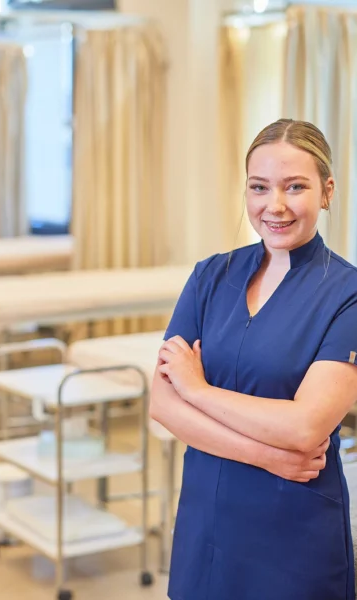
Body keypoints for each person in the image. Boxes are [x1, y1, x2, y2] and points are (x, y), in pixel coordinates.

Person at [150, 118, 357, 600]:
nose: (275, 205)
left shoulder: (347, 294)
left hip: (293, 532)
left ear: (326, 192)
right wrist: (267, 454)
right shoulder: (210, 276)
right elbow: (162, 404)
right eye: (259, 187)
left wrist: (197, 390)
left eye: (295, 187)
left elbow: (306, 428)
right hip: (207, 519)